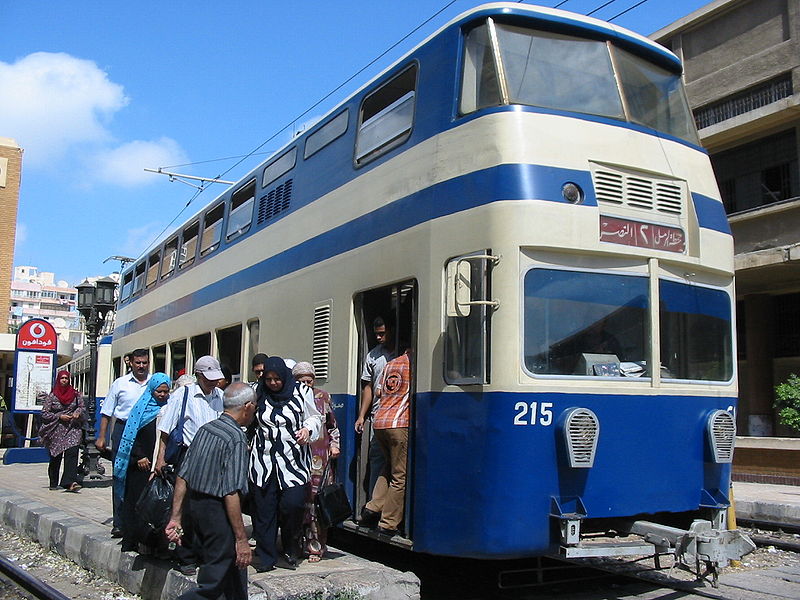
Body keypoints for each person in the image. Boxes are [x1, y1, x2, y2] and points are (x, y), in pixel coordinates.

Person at [165, 382, 256, 600]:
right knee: (211, 585)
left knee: (234, 576)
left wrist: (176, 516)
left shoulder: (206, 429)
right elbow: (231, 492)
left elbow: (183, 475)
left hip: (195, 508)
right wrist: (241, 539)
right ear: (248, 406)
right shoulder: (235, 438)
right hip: (217, 514)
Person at [249, 356, 322, 571]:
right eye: (269, 379)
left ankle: (291, 547)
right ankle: (266, 557)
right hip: (263, 462)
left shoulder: (302, 391)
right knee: (264, 511)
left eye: (277, 379)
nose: (272, 383)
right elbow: (246, 417)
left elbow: (315, 417)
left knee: (293, 506)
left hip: (293, 462)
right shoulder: (256, 391)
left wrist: (307, 430)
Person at [156, 355, 225, 575]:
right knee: (186, 508)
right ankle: (186, 556)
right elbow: (165, 431)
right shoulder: (183, 395)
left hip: (214, 457)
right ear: (198, 375)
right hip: (190, 454)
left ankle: (206, 552)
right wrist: (161, 458)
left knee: (210, 506)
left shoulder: (221, 396)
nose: (213, 382)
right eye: (208, 378)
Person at [113, 372, 171, 552]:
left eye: (165, 392)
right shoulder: (140, 409)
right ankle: (131, 540)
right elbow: (130, 435)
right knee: (135, 504)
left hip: (158, 466)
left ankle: (152, 544)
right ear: (152, 390)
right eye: (159, 392)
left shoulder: (170, 408)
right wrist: (139, 456)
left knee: (156, 506)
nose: (162, 395)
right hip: (139, 466)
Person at [97, 348, 151, 535]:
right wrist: (102, 436)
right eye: (138, 363)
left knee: (144, 477)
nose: (141, 366)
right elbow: (107, 412)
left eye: (144, 362)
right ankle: (120, 522)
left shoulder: (154, 383)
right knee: (121, 476)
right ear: (131, 363)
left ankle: (141, 521)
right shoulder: (120, 384)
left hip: (145, 432)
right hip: (122, 431)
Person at [292, 362, 340, 563]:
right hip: (296, 458)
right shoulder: (289, 398)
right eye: (301, 380)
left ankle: (316, 548)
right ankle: (298, 545)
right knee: (299, 503)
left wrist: (335, 444)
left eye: (309, 380)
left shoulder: (323, 397)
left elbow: (332, 425)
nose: (306, 384)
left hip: (320, 458)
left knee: (317, 504)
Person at [362, 344, 412, 537]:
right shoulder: (412, 366)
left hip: (380, 421)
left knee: (387, 467)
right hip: (399, 423)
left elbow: (378, 392)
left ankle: (372, 507)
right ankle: (388, 522)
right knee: (400, 475)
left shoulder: (390, 364)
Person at [354, 317, 395, 521]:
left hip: (398, 417)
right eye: (376, 333)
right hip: (378, 417)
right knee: (377, 460)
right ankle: (373, 510)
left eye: (382, 333)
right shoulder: (373, 356)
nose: (378, 337)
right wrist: (362, 415)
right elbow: (367, 387)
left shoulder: (404, 354)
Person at [39, 370, 85, 492]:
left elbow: (81, 407)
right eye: (62, 378)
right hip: (56, 429)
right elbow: (45, 413)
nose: (64, 380)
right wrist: (59, 416)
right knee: (56, 455)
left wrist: (77, 413)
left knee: (72, 453)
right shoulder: (52, 396)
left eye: (66, 378)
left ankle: (69, 482)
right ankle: (53, 482)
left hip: (72, 429)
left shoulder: (75, 394)